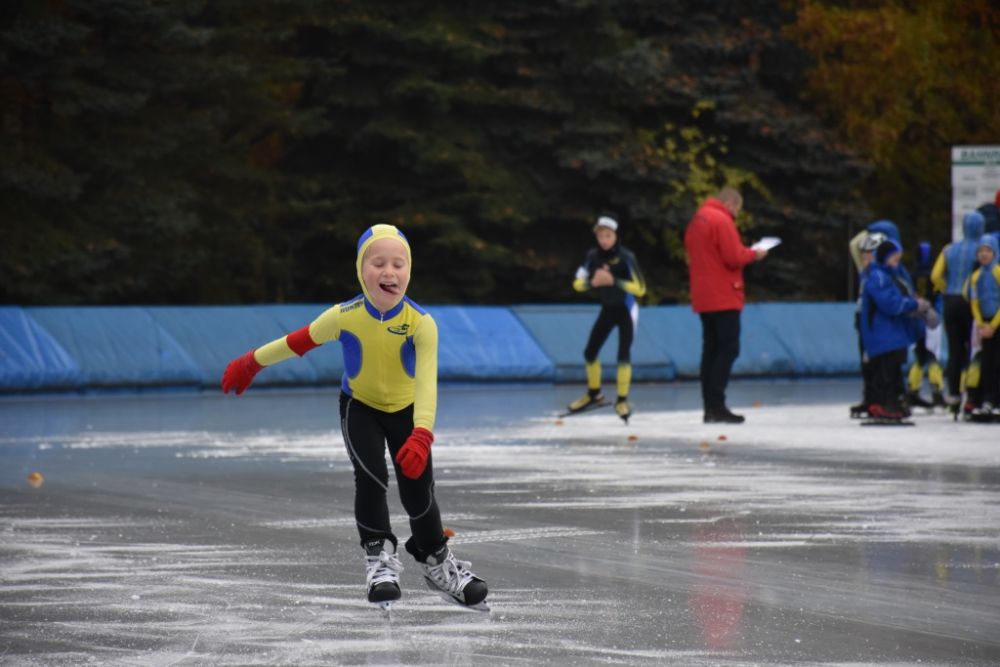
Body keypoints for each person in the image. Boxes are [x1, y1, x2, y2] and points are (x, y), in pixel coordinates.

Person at [221, 224, 488, 611]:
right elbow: (297, 343)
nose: (388, 272)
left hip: (408, 412)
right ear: (361, 270)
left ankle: (436, 562)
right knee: (371, 477)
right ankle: (379, 561)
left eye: (398, 264)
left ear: (409, 271)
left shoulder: (421, 323)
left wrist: (422, 434)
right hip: (359, 407)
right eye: (377, 263)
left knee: (418, 489)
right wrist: (251, 362)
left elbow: (427, 383)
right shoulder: (343, 316)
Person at [684, 187, 767, 424]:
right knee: (729, 347)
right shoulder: (721, 220)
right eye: (737, 210)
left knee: (710, 348)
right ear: (731, 203)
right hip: (723, 294)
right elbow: (733, 257)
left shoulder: (698, 219)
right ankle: (717, 405)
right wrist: (754, 254)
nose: (736, 215)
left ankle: (709, 407)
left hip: (703, 294)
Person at [567, 215, 647, 422]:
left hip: (627, 310)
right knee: (590, 352)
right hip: (608, 309)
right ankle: (594, 394)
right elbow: (577, 284)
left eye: (608, 236)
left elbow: (641, 289)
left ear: (616, 236)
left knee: (623, 356)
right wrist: (591, 283)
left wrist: (614, 281)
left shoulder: (627, 257)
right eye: (600, 236)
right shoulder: (592, 256)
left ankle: (622, 400)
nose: (604, 240)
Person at [859, 239, 928, 422]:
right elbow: (890, 304)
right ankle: (886, 404)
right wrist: (914, 304)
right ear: (884, 258)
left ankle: (890, 403)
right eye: (894, 259)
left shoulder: (890, 276)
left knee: (892, 370)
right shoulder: (878, 277)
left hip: (891, 335)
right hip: (883, 335)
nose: (897, 263)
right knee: (886, 372)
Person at [931, 210, 985, 407]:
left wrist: (946, 289)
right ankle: (971, 392)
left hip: (951, 302)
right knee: (974, 348)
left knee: (955, 349)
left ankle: (953, 393)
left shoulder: (949, 249)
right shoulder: (983, 250)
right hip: (971, 302)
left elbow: (935, 276)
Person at [846, 230, 886, 418]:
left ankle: (879, 400)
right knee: (866, 362)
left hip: (874, 321)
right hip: (862, 320)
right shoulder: (864, 271)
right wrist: (868, 231)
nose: (864, 257)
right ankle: (869, 399)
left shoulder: (881, 273)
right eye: (863, 254)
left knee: (877, 363)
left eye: (869, 253)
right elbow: (854, 244)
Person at [906, 241, 946, 408]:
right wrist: (937, 314)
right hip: (931, 320)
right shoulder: (934, 276)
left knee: (920, 356)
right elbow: (939, 297)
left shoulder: (911, 276)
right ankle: (937, 390)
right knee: (932, 355)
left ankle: (913, 389)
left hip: (916, 319)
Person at [964, 234, 1000, 420]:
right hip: (984, 324)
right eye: (980, 251)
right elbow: (974, 302)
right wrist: (980, 324)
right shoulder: (976, 276)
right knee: (987, 363)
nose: (983, 254)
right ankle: (988, 399)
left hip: (996, 322)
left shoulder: (998, 272)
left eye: (987, 251)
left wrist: (993, 325)